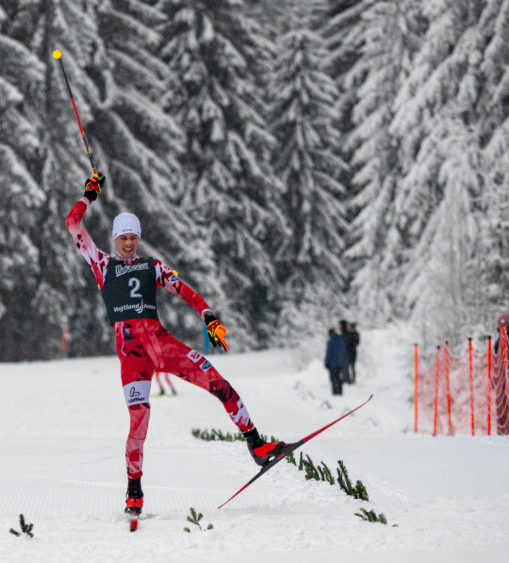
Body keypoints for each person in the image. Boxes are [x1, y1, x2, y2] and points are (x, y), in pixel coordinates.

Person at [64, 171, 289, 516]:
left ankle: (256, 445)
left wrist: (209, 317)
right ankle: (134, 491)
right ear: (114, 239)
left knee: (220, 384)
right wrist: (89, 195)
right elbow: (72, 223)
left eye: (133, 238)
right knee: (138, 423)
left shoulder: (151, 266)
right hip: (133, 357)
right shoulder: (101, 264)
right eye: (123, 237)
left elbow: (184, 290)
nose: (128, 243)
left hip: (163, 345)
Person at [324, 328, 346, 395]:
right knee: (338, 377)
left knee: (333, 378)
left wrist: (326, 362)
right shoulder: (340, 340)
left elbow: (329, 353)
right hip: (340, 363)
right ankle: (340, 391)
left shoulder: (330, 341)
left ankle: (335, 392)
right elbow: (343, 352)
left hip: (332, 364)